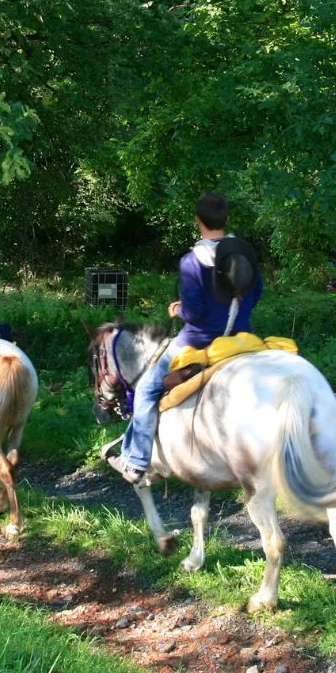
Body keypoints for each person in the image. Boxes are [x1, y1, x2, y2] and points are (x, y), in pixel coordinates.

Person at [106, 192, 262, 486]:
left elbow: (195, 312)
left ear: (197, 221)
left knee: (146, 390)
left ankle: (136, 461)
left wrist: (178, 309)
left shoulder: (193, 261)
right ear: (227, 219)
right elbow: (257, 295)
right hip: (243, 338)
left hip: (198, 342)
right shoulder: (244, 254)